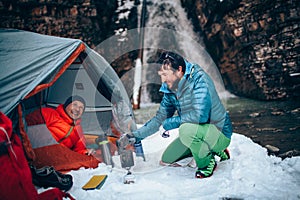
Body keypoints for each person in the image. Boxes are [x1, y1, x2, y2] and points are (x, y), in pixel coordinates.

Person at [128, 51, 233, 178]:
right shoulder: (170, 87)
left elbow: (200, 116)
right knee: (166, 159)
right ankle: (213, 149)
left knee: (186, 130)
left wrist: (168, 124)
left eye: (166, 75)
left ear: (179, 70)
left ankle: (208, 162)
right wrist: (136, 136)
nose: (163, 79)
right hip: (198, 132)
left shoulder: (200, 80)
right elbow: (160, 118)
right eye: (161, 74)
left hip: (218, 131)